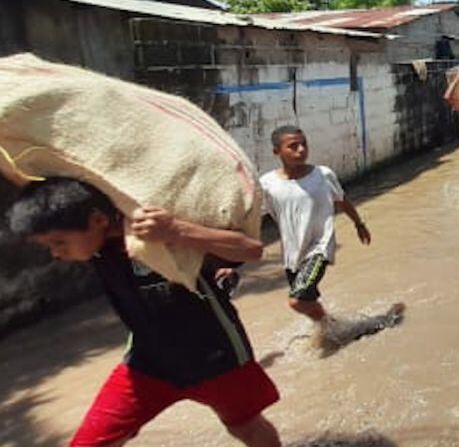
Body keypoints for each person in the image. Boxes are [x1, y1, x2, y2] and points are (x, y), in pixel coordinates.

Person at [4, 178, 282, 447]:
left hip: (218, 357)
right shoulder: (99, 247)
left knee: (244, 426)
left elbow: (251, 250)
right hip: (146, 364)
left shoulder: (158, 230)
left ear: (98, 220)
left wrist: (174, 230)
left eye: (59, 242)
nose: (56, 254)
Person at [260, 126, 373, 327]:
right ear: (277, 152)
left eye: (304, 144)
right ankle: (335, 328)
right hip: (293, 253)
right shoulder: (267, 184)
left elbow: (342, 200)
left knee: (296, 301)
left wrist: (359, 224)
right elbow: (254, 218)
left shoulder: (323, 174)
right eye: (293, 146)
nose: (301, 150)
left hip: (319, 247)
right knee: (307, 301)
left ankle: (334, 329)